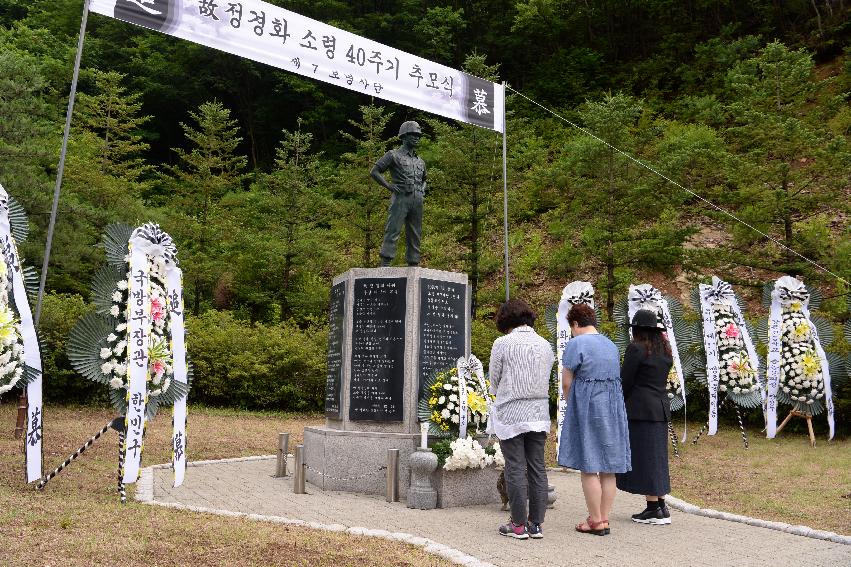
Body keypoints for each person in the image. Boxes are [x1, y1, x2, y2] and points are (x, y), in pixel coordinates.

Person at [558, 303, 630, 536]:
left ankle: (595, 521)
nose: (572, 332)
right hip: (613, 407)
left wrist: (571, 403)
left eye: (572, 327)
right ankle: (604, 518)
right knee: (608, 467)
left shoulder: (576, 343)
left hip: (588, 406)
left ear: (576, 324)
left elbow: (567, 381)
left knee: (590, 465)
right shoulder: (610, 344)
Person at [488, 299, 554, 540]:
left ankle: (517, 525)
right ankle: (536, 524)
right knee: (537, 466)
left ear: (506, 321)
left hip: (512, 412)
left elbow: (494, 380)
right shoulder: (546, 345)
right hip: (538, 412)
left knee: (515, 466)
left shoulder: (503, 343)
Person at [616, 309, 674, 525]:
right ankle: (661, 504)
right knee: (658, 457)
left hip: (640, 410)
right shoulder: (664, 350)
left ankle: (652, 509)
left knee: (647, 458)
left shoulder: (637, 348)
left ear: (638, 329)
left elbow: (626, 380)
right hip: (660, 408)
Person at [370, 121, 427, 267]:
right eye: (413, 135)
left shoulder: (420, 161)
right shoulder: (393, 155)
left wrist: (422, 189)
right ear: (404, 136)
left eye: (418, 135)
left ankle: (413, 263)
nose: (416, 138)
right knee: (393, 229)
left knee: (415, 233)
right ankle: (385, 264)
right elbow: (374, 171)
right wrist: (389, 186)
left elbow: (425, 179)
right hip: (401, 198)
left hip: (417, 200)